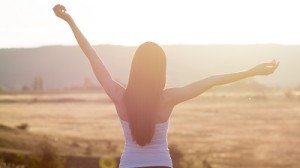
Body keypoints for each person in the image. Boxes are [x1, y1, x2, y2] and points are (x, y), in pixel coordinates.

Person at [53, 4, 279, 168]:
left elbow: (91, 55)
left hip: (129, 164)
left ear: (135, 67)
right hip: (161, 164)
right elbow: (213, 80)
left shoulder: (119, 96)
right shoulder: (168, 98)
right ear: (161, 70)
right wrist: (252, 71)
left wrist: (70, 21)